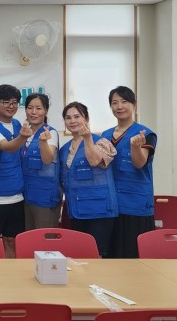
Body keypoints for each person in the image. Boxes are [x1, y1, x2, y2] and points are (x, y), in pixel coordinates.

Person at [102, 86, 157, 258]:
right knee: (111, 257)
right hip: (111, 205)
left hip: (136, 205)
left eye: (124, 101)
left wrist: (135, 147)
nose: (119, 106)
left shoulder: (145, 134)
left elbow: (140, 163)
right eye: (114, 103)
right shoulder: (105, 135)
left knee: (134, 257)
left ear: (134, 105)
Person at [60, 101, 117, 258]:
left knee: (96, 255)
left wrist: (87, 138)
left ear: (86, 118)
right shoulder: (64, 149)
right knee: (79, 256)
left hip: (99, 210)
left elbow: (94, 161)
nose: (72, 121)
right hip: (76, 209)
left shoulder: (102, 142)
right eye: (68, 118)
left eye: (77, 116)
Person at [0, 84, 30, 258]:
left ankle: (11, 272)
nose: (11, 106)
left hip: (16, 196)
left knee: (12, 240)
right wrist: (23, 136)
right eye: (6, 102)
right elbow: (7, 147)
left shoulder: (17, 124)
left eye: (15, 102)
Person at [20, 93, 62, 230]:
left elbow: (48, 159)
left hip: (44, 197)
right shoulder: (24, 133)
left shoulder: (51, 133)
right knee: (27, 239)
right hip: (26, 195)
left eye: (38, 108)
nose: (34, 112)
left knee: (44, 239)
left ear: (46, 111)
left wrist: (43, 142)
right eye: (30, 108)